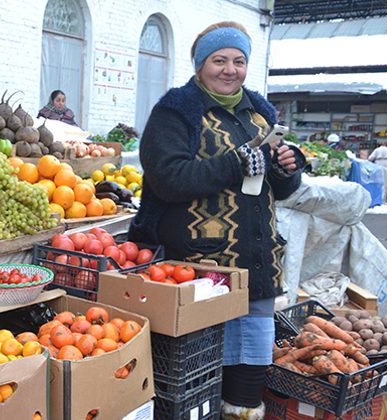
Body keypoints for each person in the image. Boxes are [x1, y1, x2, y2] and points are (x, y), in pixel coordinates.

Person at [128, 21, 306, 419]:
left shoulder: (259, 112)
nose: (230, 70)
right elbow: (169, 179)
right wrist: (234, 162)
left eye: (239, 61)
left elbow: (279, 187)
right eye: (219, 60)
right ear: (200, 65)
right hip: (199, 266)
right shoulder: (176, 112)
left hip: (257, 264)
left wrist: (287, 168)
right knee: (196, 370)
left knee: (248, 372)